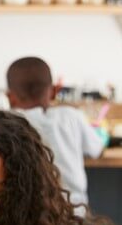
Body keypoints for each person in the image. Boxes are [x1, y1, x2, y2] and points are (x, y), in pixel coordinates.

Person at [6, 56, 105, 213]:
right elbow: (96, 148)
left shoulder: (8, 123)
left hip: (29, 216)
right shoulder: (72, 116)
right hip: (75, 213)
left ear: (10, 97)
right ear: (54, 91)